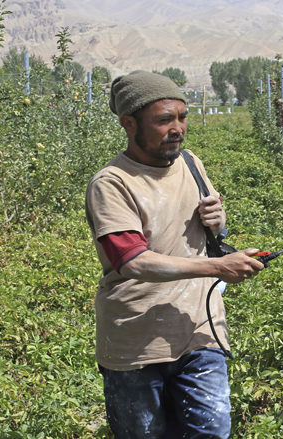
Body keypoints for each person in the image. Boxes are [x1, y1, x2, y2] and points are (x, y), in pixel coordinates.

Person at [85, 70, 264, 438]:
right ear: (129, 124)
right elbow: (132, 261)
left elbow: (213, 230)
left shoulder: (190, 162)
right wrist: (216, 266)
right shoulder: (112, 183)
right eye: (164, 119)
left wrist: (218, 222)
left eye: (182, 117)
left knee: (211, 430)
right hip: (135, 339)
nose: (178, 128)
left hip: (198, 328)